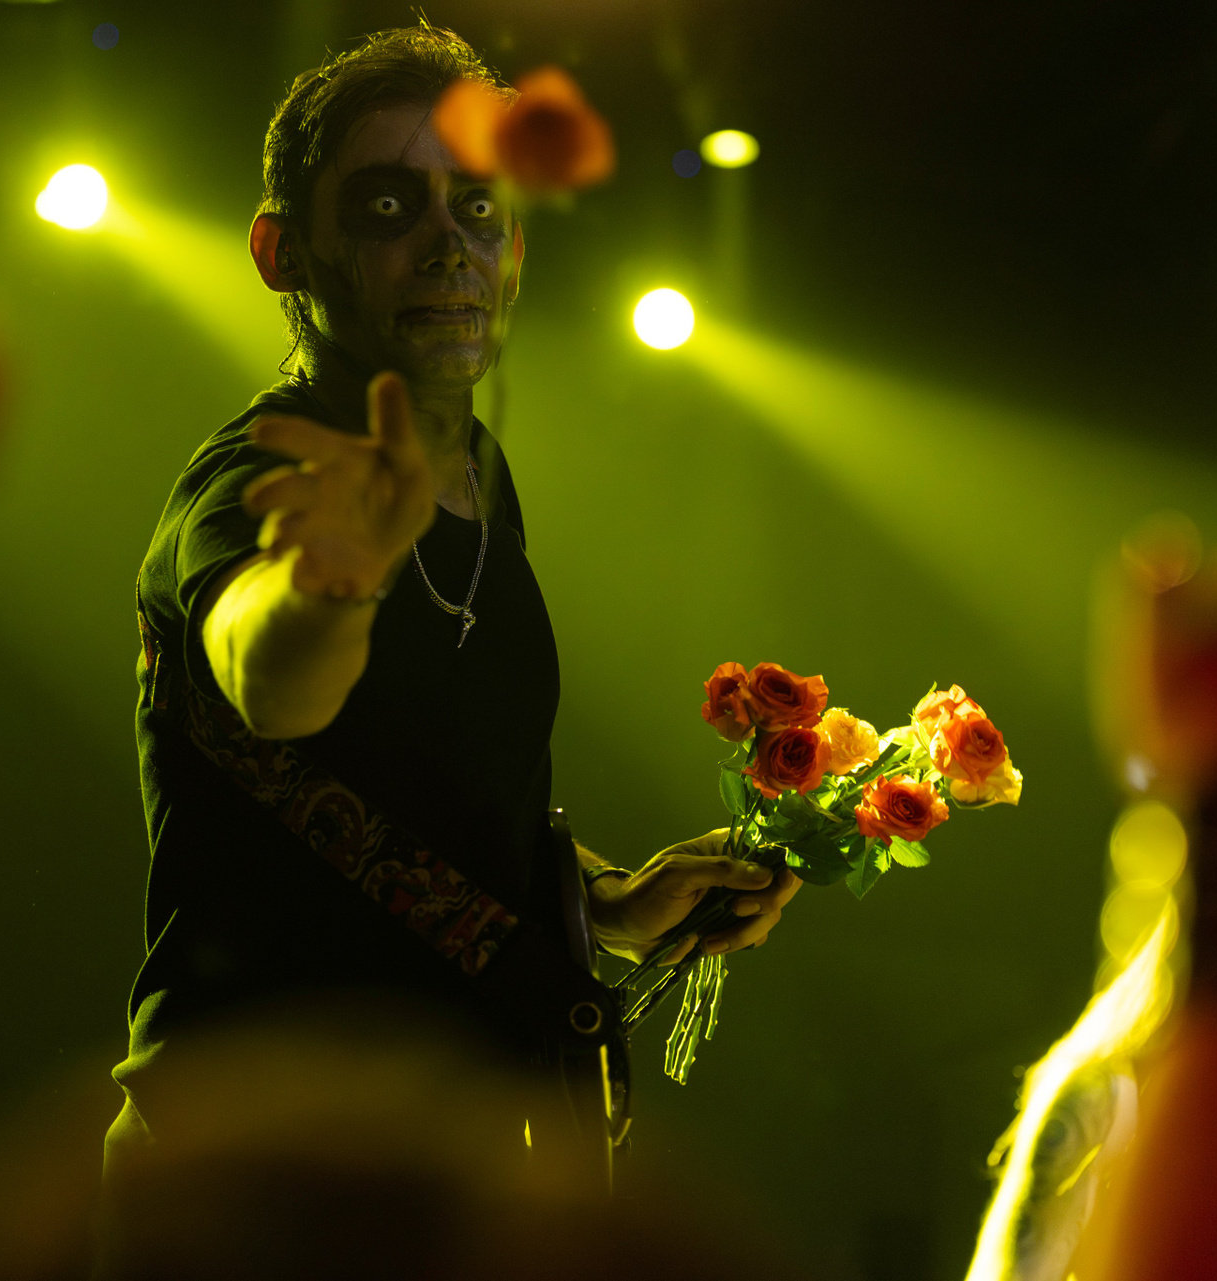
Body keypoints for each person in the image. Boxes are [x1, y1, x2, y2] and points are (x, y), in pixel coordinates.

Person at [114, 24, 800, 1181]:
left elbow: (423, 797)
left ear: (515, 250)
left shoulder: (480, 475)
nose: (446, 245)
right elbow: (266, 681)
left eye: (476, 208)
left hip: (450, 1158)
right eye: (388, 207)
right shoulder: (258, 482)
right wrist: (327, 590)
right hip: (253, 1168)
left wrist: (607, 906)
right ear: (283, 252)